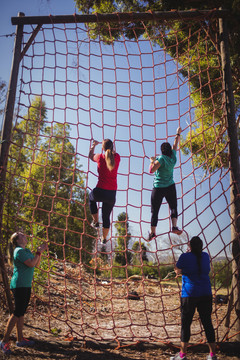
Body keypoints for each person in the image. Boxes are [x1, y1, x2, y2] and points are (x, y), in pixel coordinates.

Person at [0, 232, 47, 355]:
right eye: (21, 235)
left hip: (25, 285)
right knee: (17, 313)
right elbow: (31, 263)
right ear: (17, 240)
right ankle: (4, 341)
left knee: (21, 313)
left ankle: (20, 339)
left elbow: (35, 264)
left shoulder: (26, 251)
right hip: (19, 285)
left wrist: (39, 252)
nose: (24, 235)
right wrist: (38, 252)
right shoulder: (19, 251)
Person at [171, 236, 217, 360]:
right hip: (206, 293)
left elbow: (178, 271)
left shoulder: (185, 257)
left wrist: (178, 268)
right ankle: (212, 355)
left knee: (186, 324)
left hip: (189, 294)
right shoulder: (206, 256)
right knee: (207, 323)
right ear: (201, 246)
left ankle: (182, 355)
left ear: (190, 246)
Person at [148, 127, 182, 239]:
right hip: (170, 186)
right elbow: (175, 145)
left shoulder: (161, 159)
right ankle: (175, 226)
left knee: (155, 211)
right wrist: (178, 133)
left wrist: (152, 161)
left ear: (162, 151)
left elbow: (151, 170)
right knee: (173, 207)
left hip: (158, 188)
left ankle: (152, 233)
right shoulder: (173, 157)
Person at [89, 139, 120, 243]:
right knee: (106, 216)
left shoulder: (99, 157)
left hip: (100, 191)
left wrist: (94, 145)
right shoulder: (117, 157)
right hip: (111, 194)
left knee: (91, 198)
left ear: (102, 148)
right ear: (112, 148)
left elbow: (90, 155)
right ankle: (104, 239)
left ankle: (96, 222)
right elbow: (113, 152)